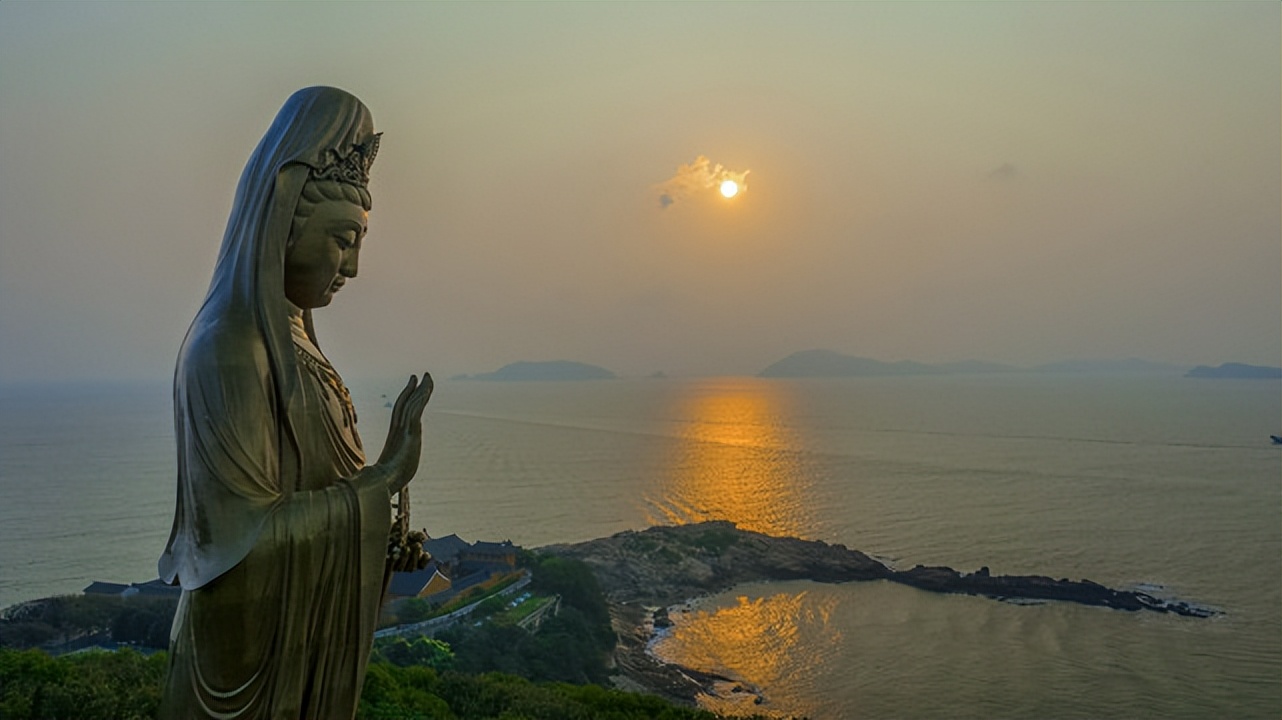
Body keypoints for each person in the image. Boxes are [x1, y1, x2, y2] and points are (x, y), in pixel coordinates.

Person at [157, 86, 432, 719]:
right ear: (283, 223)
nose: (354, 267)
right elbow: (237, 549)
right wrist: (384, 479)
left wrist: (378, 529)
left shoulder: (294, 340)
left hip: (291, 658)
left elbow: (309, 494)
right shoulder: (228, 349)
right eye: (342, 239)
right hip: (238, 673)